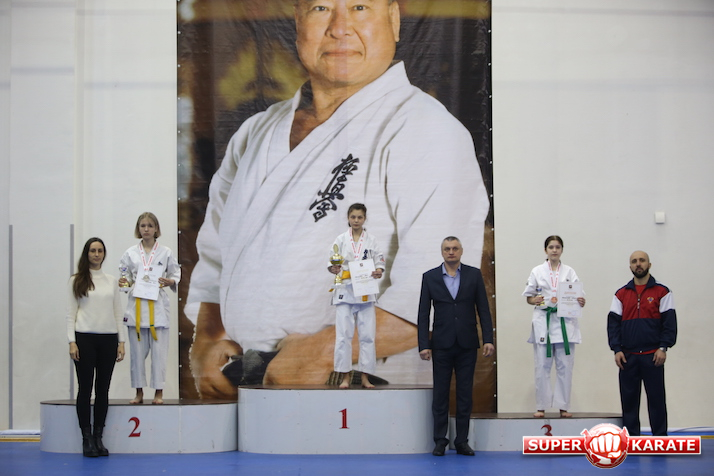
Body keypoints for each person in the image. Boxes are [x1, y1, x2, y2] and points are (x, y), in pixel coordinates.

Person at [186, 0, 489, 398]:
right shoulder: (256, 132)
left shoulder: (427, 130)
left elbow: (442, 293)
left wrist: (327, 351)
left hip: (361, 386)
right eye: (320, 8)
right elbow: (216, 256)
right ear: (298, 22)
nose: (340, 27)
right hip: (249, 380)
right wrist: (207, 338)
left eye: (360, 7)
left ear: (394, 20)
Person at [417, 237, 494, 456]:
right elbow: (423, 313)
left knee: (464, 394)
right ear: (442, 252)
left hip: (467, 343)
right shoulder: (430, 277)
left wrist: (488, 339)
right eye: (447, 249)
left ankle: (461, 441)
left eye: (455, 248)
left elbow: (483, 309)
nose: (451, 252)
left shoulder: (473, 275)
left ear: (461, 251)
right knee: (440, 394)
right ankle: (440, 440)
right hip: (441, 343)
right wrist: (424, 344)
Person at [67, 237, 126, 457]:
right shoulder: (77, 280)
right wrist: (71, 341)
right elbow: (70, 314)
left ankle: (99, 437)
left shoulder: (111, 281)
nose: (97, 254)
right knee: (85, 389)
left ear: (104, 254)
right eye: (93, 250)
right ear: (87, 253)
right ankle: (87, 439)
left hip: (108, 340)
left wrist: (121, 341)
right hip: (84, 339)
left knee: (103, 390)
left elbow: (118, 312)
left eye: (100, 250)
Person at [607, 250, 677, 436]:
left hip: (653, 356)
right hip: (627, 357)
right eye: (634, 261)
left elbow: (669, 324)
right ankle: (631, 440)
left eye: (642, 260)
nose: (638, 264)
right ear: (630, 266)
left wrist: (663, 347)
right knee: (629, 402)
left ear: (649, 264)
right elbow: (613, 325)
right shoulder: (621, 294)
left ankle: (660, 440)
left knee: (657, 401)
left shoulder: (662, 292)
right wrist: (617, 349)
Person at [119, 212, 181, 405]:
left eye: (150, 226)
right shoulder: (130, 253)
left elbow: (175, 273)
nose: (146, 229)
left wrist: (171, 281)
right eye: (143, 226)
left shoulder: (166, 252)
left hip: (157, 308)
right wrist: (124, 283)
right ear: (138, 229)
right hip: (137, 309)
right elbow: (125, 278)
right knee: (137, 356)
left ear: (156, 229)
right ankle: (139, 393)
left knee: (159, 355)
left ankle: (158, 393)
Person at [522, 235, 586, 418]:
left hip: (565, 322)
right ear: (546, 250)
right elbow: (528, 297)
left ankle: (563, 406)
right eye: (551, 247)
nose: (554, 250)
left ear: (562, 250)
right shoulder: (537, 271)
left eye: (558, 247)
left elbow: (579, 295)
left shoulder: (569, 272)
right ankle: (541, 406)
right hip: (544, 321)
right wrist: (534, 300)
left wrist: (581, 301)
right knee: (542, 365)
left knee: (565, 366)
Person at [328, 203, 385, 388]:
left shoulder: (372, 240)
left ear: (365, 219)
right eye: (353, 217)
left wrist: (378, 270)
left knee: (367, 336)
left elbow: (380, 260)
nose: (356, 220)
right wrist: (333, 268)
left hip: (365, 290)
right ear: (348, 218)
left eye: (360, 217)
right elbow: (331, 262)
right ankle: (345, 377)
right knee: (343, 336)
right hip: (345, 290)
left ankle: (364, 377)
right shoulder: (340, 239)